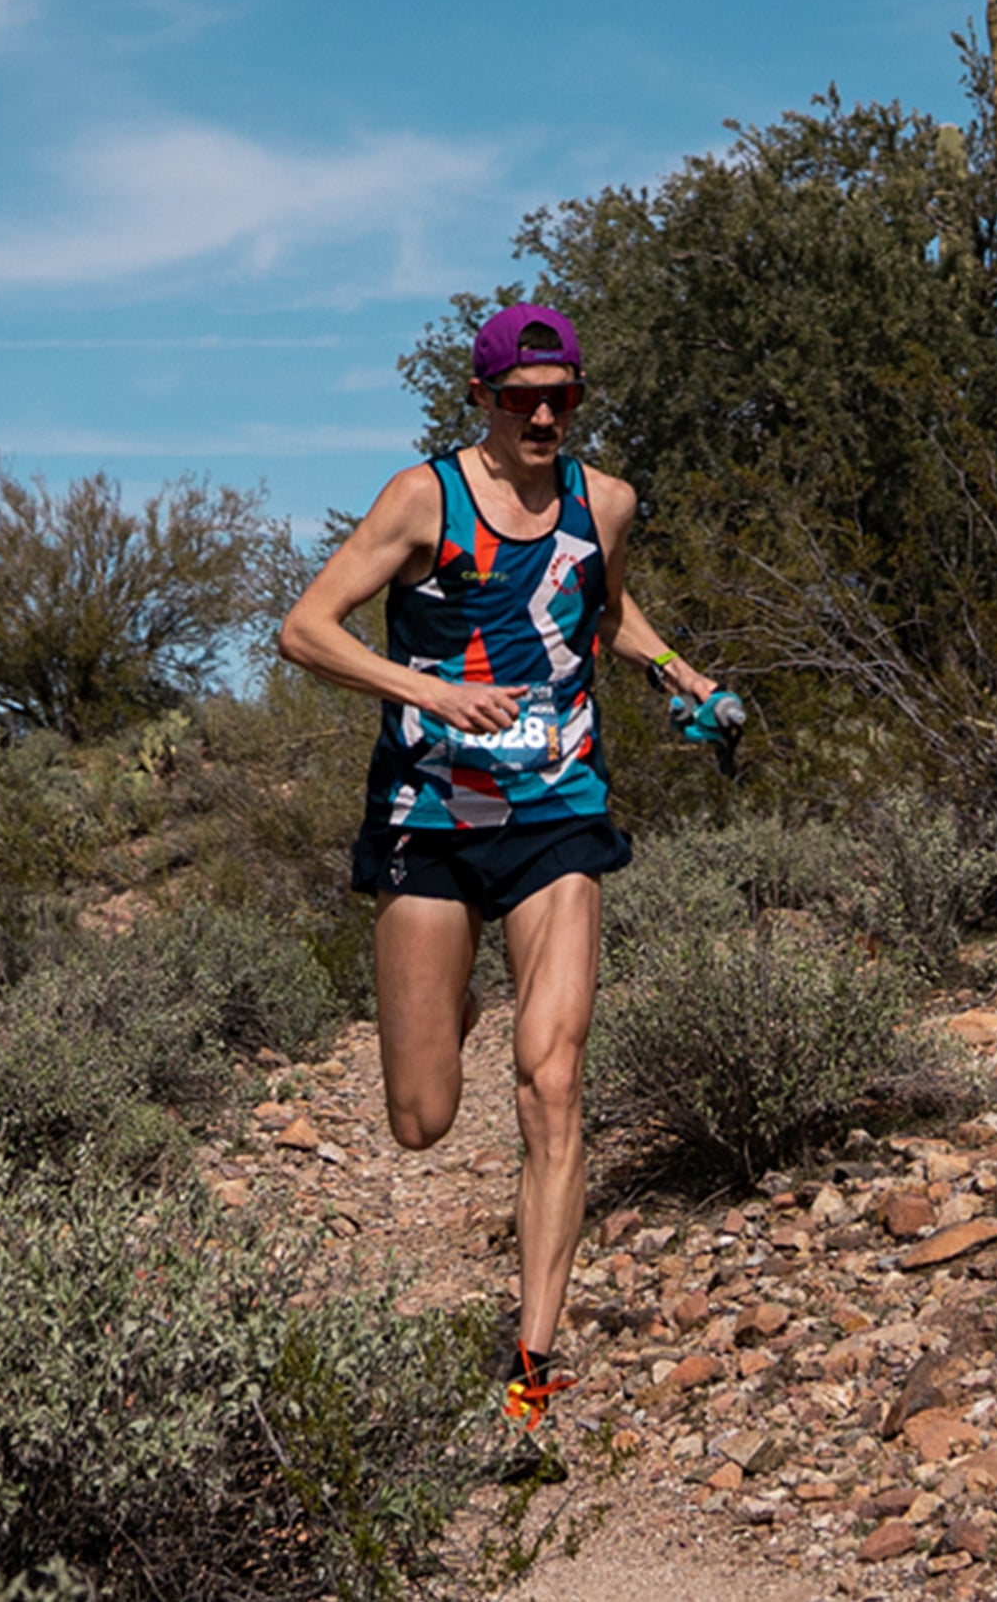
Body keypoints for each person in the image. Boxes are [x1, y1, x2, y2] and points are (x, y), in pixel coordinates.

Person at [277, 303, 732, 1468]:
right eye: (521, 398)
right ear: (481, 398)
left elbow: (603, 609)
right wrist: (427, 691)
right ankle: (451, 1005)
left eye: (559, 397)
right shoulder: (421, 500)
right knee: (420, 1120)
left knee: (552, 1080)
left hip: (555, 814)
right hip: (429, 819)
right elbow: (306, 629)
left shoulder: (604, 502)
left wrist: (681, 676)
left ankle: (531, 1375)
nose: (541, 416)